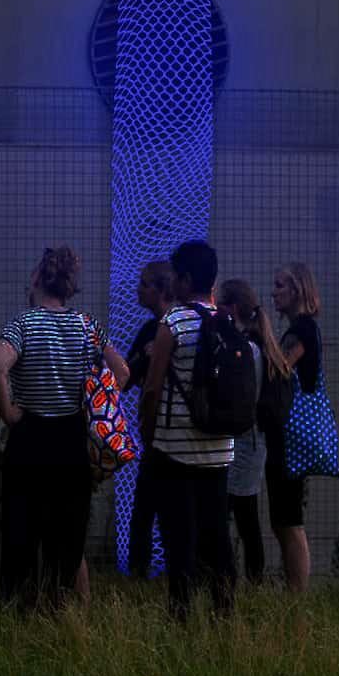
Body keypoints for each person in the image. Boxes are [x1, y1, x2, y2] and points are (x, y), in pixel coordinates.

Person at [0, 247, 128, 608]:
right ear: (69, 286)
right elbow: (122, 372)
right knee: (66, 539)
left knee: (21, 536)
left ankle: (18, 615)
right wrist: (97, 404)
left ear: (37, 279)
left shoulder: (23, 324)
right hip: (71, 441)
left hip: (29, 440)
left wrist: (9, 412)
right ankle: (61, 616)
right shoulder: (88, 326)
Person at [140, 240, 236, 620]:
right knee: (217, 535)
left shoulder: (173, 322)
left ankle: (181, 615)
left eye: (177, 276)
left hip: (176, 449)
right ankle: (224, 611)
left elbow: (152, 386)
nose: (172, 283)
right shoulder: (226, 321)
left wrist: (149, 432)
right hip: (220, 449)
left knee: (180, 536)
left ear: (186, 279)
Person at [216, 278, 287, 585]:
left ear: (231, 308)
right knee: (246, 516)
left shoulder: (245, 349)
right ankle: (251, 581)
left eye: (220, 304)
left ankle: (228, 579)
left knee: (232, 514)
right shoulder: (261, 345)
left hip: (244, 440)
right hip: (254, 442)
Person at [268, 261, 324, 592]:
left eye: (280, 287)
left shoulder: (302, 330)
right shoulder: (299, 329)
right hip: (285, 435)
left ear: (297, 290)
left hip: (293, 435)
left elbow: (282, 366)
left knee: (290, 521)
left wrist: (261, 331)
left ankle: (297, 596)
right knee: (282, 520)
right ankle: (293, 591)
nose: (274, 293)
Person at [122, 260, 176, 579]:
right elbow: (128, 375)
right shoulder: (147, 331)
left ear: (158, 289)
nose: (137, 289)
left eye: (143, 284)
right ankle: (140, 575)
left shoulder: (175, 327)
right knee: (144, 510)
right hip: (156, 439)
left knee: (157, 509)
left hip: (169, 436)